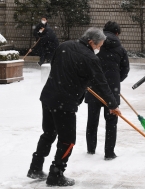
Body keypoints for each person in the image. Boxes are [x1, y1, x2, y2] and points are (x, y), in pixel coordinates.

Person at [27, 27, 121, 187]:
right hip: (65, 103)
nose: (99, 48)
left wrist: (78, 80)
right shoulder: (91, 58)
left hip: (49, 96)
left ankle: (35, 167)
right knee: (67, 141)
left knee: (48, 134)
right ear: (91, 42)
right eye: (99, 45)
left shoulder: (65, 46)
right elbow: (102, 83)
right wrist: (113, 104)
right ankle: (56, 175)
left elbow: (58, 67)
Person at [84, 21, 130, 160]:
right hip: (112, 89)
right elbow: (125, 70)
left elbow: (85, 65)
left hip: (94, 88)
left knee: (92, 120)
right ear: (117, 33)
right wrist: (115, 81)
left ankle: (91, 149)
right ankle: (109, 153)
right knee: (111, 121)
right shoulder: (120, 49)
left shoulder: (94, 46)